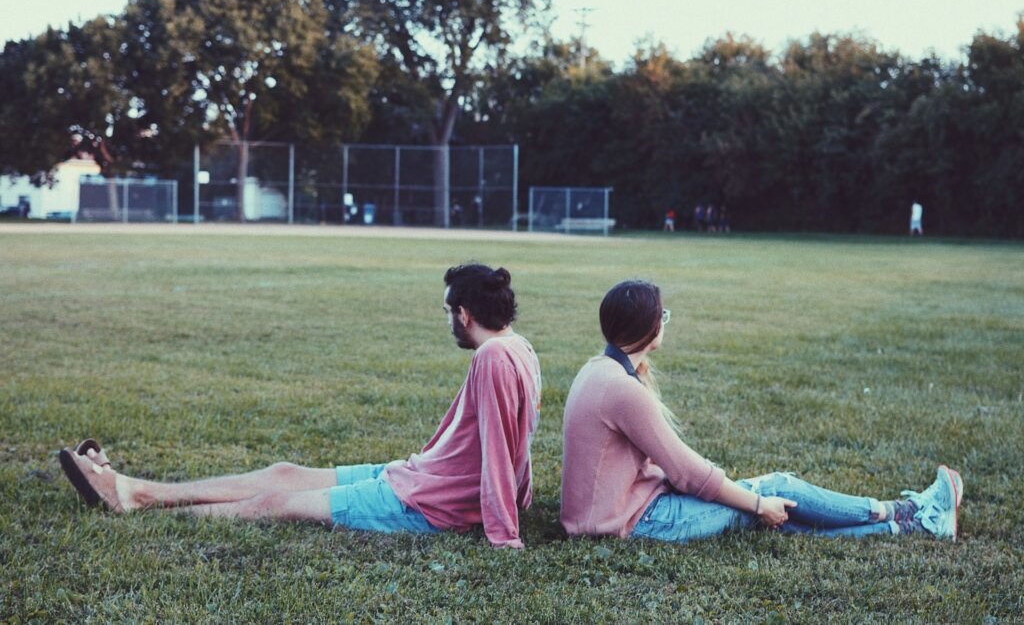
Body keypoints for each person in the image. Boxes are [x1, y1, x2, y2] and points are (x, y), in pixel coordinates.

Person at [60, 264, 543, 549]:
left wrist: (505, 534)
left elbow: (502, 451)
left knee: (276, 503)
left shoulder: (494, 358)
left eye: (447, 315)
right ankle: (130, 490)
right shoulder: (517, 347)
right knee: (285, 471)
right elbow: (516, 442)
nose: (448, 324)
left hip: (430, 504)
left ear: (464, 314)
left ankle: (136, 501)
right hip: (416, 476)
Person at [560, 280, 963, 545]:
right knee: (777, 489)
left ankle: (908, 524)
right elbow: (688, 474)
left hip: (613, 514)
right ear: (647, 330)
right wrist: (755, 503)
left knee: (776, 509)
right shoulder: (623, 389)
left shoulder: (599, 369)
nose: (665, 322)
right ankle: (900, 511)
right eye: (661, 316)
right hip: (636, 523)